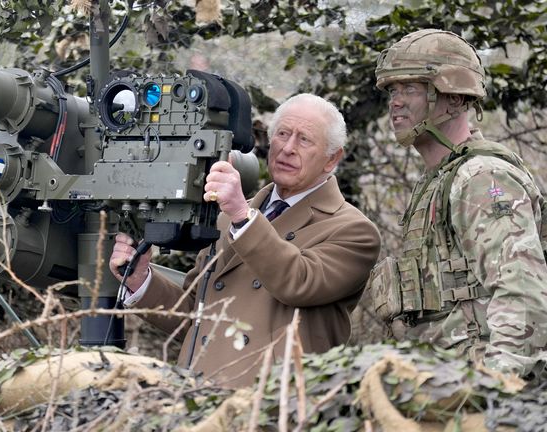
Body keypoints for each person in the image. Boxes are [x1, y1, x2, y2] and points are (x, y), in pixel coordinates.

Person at [109, 93, 381, 388]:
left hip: (273, 407)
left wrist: (242, 215)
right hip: (198, 398)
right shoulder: (231, 216)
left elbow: (299, 282)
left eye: (304, 140)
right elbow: (194, 315)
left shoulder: (353, 230)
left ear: (332, 159)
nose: (288, 148)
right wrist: (141, 282)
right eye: (282, 134)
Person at [370, 29, 547, 377]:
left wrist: (499, 386)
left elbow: (522, 293)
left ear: (453, 98)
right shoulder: (438, 179)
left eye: (411, 88)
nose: (396, 101)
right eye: (392, 90)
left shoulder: (482, 176)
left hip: (481, 384)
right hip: (446, 378)